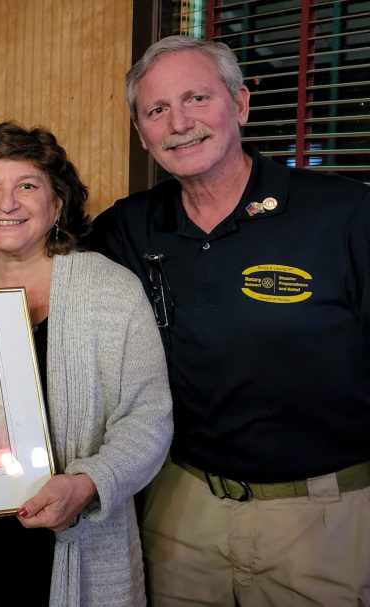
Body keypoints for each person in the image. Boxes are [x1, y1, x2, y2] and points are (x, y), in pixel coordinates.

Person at [89, 35, 370, 605]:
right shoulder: (131, 227)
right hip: (180, 512)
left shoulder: (344, 212)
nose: (179, 123)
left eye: (196, 98)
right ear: (142, 134)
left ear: (239, 105)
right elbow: (36, 272)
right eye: (157, 110)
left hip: (325, 518)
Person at [0, 122, 172, 606]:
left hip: (76, 535)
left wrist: (88, 484)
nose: (7, 203)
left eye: (27, 185)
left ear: (58, 203)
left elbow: (149, 420)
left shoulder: (112, 290)